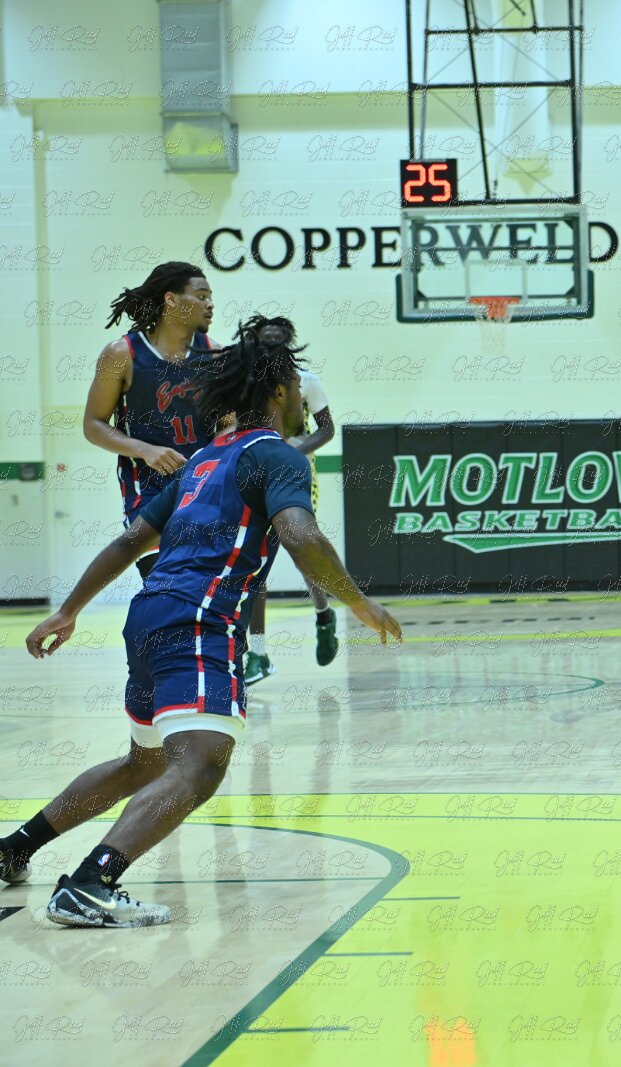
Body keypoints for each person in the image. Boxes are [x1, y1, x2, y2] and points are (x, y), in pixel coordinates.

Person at [0, 320, 401, 927]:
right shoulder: (278, 456)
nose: (302, 396)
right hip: (198, 618)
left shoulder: (204, 461)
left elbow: (130, 541)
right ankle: (90, 884)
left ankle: (14, 848)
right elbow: (301, 535)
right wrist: (358, 603)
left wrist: (69, 608)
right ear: (278, 391)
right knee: (202, 762)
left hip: (149, 613)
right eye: (296, 386)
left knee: (144, 764)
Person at [85, 262, 216, 578]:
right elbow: (93, 424)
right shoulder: (122, 353)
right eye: (201, 296)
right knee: (164, 586)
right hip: (148, 489)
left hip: (205, 488)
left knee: (207, 591)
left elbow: (229, 427)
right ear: (171, 299)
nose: (210, 304)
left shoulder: (215, 355)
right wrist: (145, 450)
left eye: (211, 297)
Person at [243, 321, 340, 684]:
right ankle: (258, 654)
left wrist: (295, 450)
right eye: (264, 340)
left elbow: (327, 428)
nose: (270, 344)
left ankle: (323, 614)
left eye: (277, 340)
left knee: (302, 549)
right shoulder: (249, 383)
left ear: (288, 343)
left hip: (297, 471)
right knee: (254, 564)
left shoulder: (306, 381)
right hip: (257, 470)